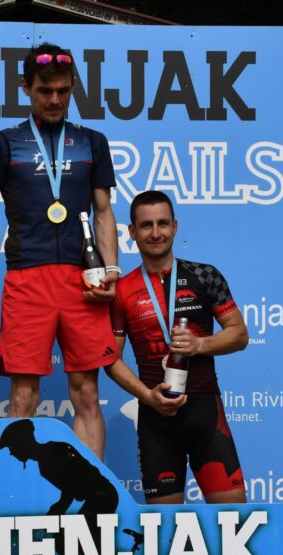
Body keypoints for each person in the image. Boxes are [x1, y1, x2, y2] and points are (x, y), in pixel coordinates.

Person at [0, 43, 119, 460]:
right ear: (26, 87)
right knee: (23, 396)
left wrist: (111, 270)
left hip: (82, 278)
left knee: (86, 392)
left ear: (72, 86)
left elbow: (104, 211)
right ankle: (16, 491)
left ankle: (92, 494)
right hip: (26, 278)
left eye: (62, 90)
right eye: (44, 91)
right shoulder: (5, 143)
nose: (54, 99)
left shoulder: (92, 142)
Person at [106, 190, 248, 504]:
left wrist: (200, 344)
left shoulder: (205, 275)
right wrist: (148, 397)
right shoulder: (122, 291)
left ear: (175, 226)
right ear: (132, 232)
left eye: (163, 223)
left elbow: (239, 334)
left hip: (206, 415)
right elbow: (110, 359)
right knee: (164, 529)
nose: (156, 233)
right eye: (146, 225)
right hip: (155, 420)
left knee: (233, 522)